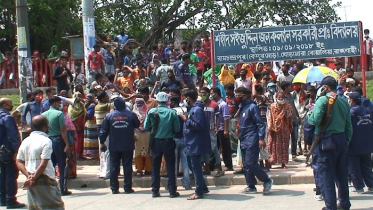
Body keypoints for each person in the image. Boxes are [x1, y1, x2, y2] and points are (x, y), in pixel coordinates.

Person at [307, 76, 352, 210]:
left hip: (327, 141)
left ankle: (330, 206)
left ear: (325, 87)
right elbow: (349, 126)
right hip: (342, 139)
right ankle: (344, 204)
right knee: (341, 175)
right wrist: (346, 141)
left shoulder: (322, 100)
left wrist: (310, 113)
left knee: (326, 175)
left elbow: (314, 120)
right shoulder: (344, 101)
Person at [16, 115, 64, 210]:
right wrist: (33, 178)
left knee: (36, 207)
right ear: (45, 126)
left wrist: (29, 176)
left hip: (31, 178)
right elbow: (43, 164)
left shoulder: (25, 141)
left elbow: (19, 161)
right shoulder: (46, 141)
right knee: (55, 206)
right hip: (45, 177)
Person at [234, 87, 273, 195]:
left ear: (245, 95)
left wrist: (261, 138)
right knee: (246, 164)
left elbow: (260, 124)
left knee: (251, 162)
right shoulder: (242, 107)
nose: (237, 97)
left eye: (239, 95)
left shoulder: (252, 107)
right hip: (243, 138)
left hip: (252, 138)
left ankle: (266, 180)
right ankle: (251, 185)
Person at [99, 96, 140, 194]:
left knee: (114, 166)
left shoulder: (109, 116)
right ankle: (127, 188)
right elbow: (137, 124)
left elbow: (103, 131)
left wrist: (102, 142)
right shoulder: (131, 114)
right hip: (127, 145)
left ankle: (114, 188)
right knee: (127, 166)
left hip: (114, 145)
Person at [144, 92, 180, 198]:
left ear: (157, 100)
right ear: (167, 101)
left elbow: (146, 127)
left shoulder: (151, 111)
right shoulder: (172, 113)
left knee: (155, 167)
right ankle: (172, 191)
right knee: (170, 166)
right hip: (168, 141)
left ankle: (155, 190)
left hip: (155, 141)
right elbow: (177, 129)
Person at [180, 89, 210, 200]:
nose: (183, 99)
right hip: (190, 142)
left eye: (185, 97)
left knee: (196, 167)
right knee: (192, 165)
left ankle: (198, 192)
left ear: (189, 98)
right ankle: (203, 187)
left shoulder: (197, 110)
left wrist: (186, 119)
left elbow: (198, 125)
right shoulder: (191, 109)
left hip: (195, 143)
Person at [41, 96, 71, 196]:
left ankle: (50, 189)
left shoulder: (43, 114)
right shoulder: (59, 114)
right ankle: (62, 189)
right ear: (54, 103)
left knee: (50, 166)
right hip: (58, 141)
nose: (60, 105)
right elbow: (63, 130)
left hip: (47, 140)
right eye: (59, 103)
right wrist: (67, 144)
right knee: (62, 165)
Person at [0, 98, 26, 209]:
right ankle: (11, 199)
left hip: (1, 151)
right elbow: (12, 136)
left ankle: (3, 199)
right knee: (11, 174)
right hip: (8, 151)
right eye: (10, 105)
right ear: (5, 105)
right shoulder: (8, 118)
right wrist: (17, 150)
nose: (11, 107)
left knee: (3, 175)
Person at [347, 92, 373, 194]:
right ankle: (370, 185)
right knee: (366, 165)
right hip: (366, 143)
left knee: (354, 167)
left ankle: (359, 187)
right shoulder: (368, 111)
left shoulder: (351, 112)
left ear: (352, 100)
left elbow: (348, 127)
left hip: (354, 144)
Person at [199, 87, 224, 177]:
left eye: (204, 93)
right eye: (201, 93)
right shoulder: (199, 105)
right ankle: (207, 168)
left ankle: (219, 168)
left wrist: (217, 127)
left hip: (211, 130)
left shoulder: (214, 105)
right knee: (204, 149)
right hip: (202, 131)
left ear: (208, 94)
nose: (202, 95)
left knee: (214, 148)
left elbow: (218, 117)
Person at [169, 94, 191, 189]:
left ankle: (173, 184)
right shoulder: (184, 110)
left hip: (174, 138)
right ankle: (186, 183)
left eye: (170, 101)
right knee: (185, 163)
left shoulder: (171, 112)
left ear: (173, 102)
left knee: (173, 163)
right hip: (184, 138)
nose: (169, 103)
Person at [267, 92, 293, 168]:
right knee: (273, 145)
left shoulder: (287, 106)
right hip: (274, 129)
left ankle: (283, 163)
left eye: (282, 98)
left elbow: (290, 116)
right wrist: (270, 127)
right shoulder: (272, 106)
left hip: (284, 129)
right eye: (279, 98)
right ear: (276, 98)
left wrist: (286, 113)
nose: (281, 100)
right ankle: (271, 161)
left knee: (284, 146)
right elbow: (270, 117)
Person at [211, 87, 233, 171]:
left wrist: (226, 130)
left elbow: (226, 117)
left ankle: (228, 165)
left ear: (216, 93)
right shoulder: (214, 104)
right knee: (214, 147)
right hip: (215, 129)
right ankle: (212, 165)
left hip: (222, 129)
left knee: (225, 148)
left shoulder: (223, 104)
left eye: (212, 93)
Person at [132, 98, 151, 176]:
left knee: (147, 151)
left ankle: (148, 169)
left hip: (147, 133)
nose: (139, 105)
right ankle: (139, 169)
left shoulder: (148, 112)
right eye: (138, 103)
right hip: (136, 133)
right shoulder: (133, 113)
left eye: (141, 103)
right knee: (137, 151)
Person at [95, 91, 111, 179]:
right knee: (107, 152)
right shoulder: (104, 106)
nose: (107, 97)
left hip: (100, 131)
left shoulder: (97, 106)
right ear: (102, 99)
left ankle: (103, 172)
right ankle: (107, 173)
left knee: (102, 152)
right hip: (104, 131)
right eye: (106, 96)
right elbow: (116, 103)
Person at [68, 92, 86, 159]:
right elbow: (71, 116)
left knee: (81, 139)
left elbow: (85, 112)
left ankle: (81, 154)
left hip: (82, 123)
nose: (79, 97)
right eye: (78, 96)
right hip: (75, 124)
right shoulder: (71, 105)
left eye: (80, 96)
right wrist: (76, 125)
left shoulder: (81, 104)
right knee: (77, 139)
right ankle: (76, 154)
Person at [83, 94, 99, 159]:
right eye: (86, 98)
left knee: (91, 138)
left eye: (88, 98)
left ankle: (93, 153)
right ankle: (88, 153)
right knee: (88, 138)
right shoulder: (87, 105)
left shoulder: (92, 105)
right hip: (88, 123)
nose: (87, 99)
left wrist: (84, 110)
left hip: (92, 123)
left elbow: (89, 114)